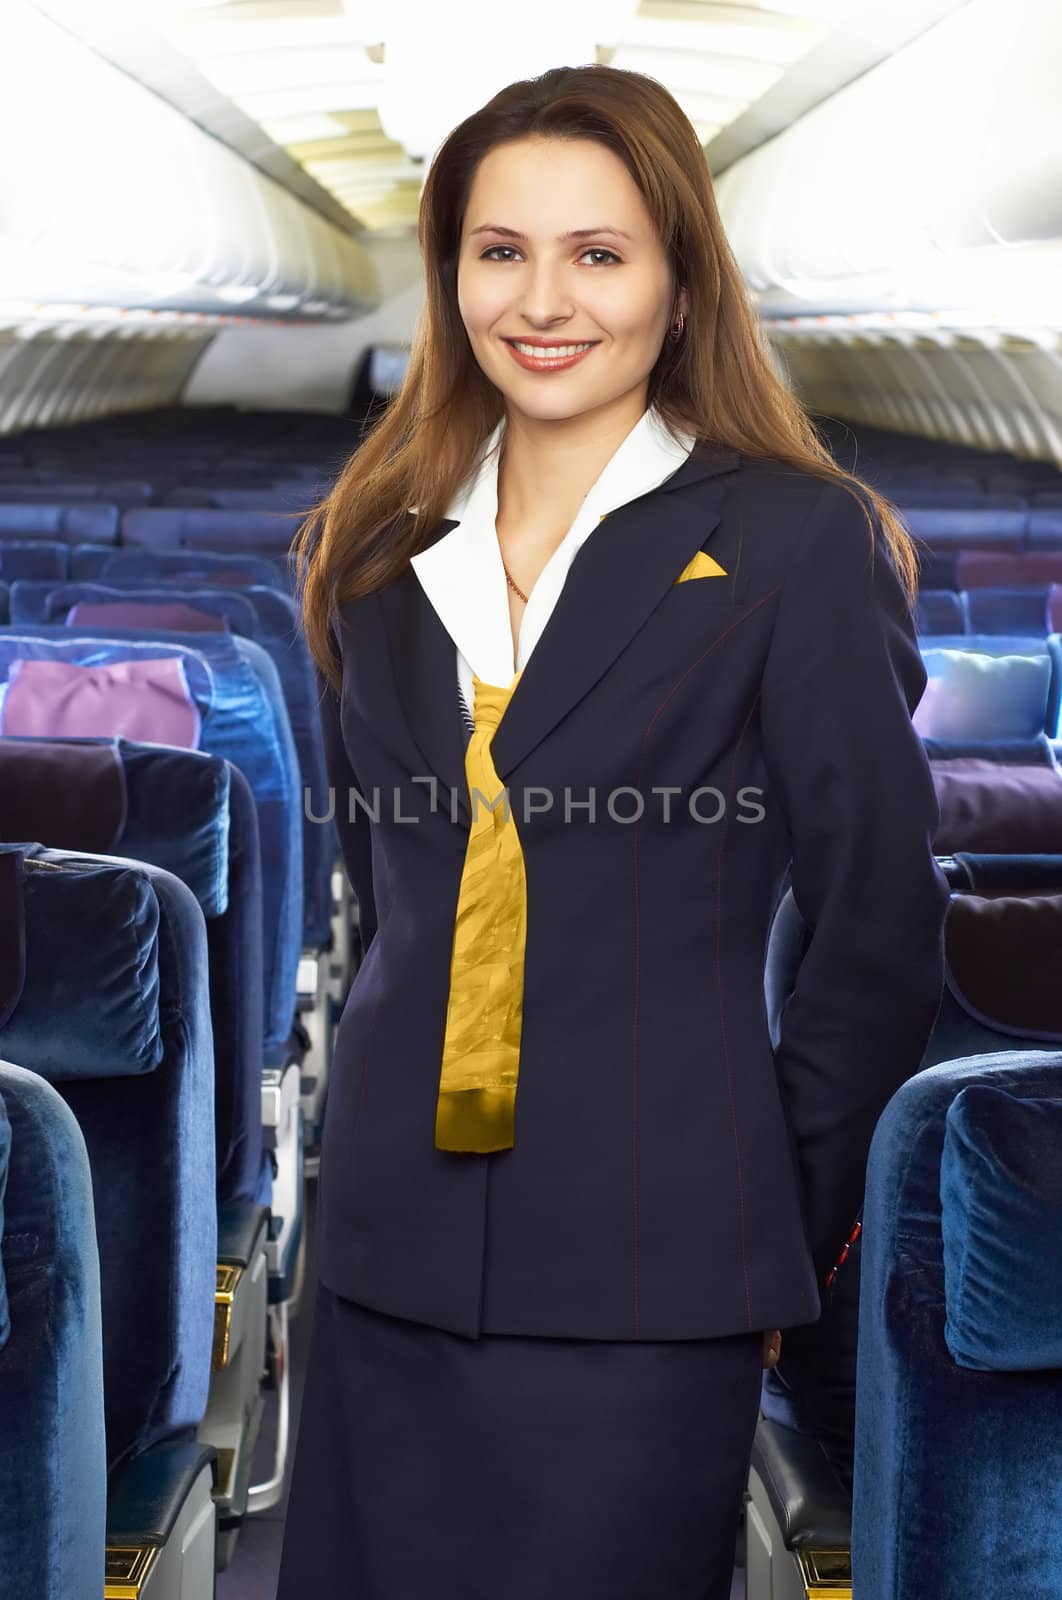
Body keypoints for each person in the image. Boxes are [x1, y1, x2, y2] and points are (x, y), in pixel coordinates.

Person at [277, 63, 949, 1600]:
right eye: (499, 249)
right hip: (385, 1248)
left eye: (597, 251)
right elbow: (387, 899)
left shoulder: (790, 537)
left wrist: (780, 1212)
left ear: (677, 275)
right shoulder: (374, 551)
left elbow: (874, 927)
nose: (542, 298)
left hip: (662, 1260)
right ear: (449, 273)